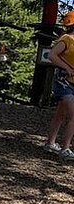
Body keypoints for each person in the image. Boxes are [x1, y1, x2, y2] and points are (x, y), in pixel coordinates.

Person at [44, 10, 74, 160]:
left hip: (72, 83)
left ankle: (50, 143)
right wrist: (67, 67)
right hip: (64, 82)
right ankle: (66, 148)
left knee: (60, 114)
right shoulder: (67, 39)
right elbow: (52, 55)